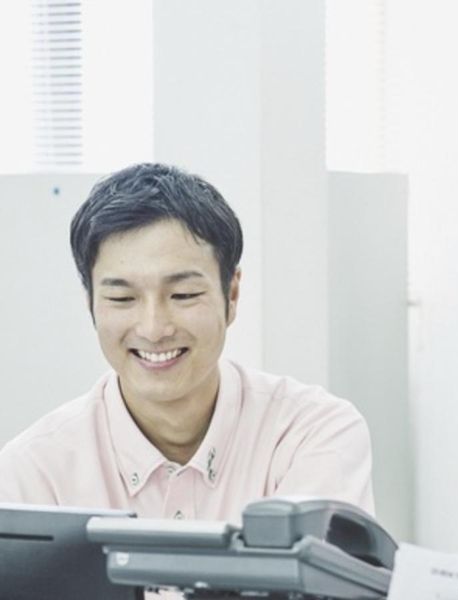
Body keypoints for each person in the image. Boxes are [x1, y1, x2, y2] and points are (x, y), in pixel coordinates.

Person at [0, 163, 374, 523]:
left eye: (183, 294)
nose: (153, 328)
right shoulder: (35, 472)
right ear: (91, 304)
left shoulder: (309, 434)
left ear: (232, 295)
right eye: (122, 298)